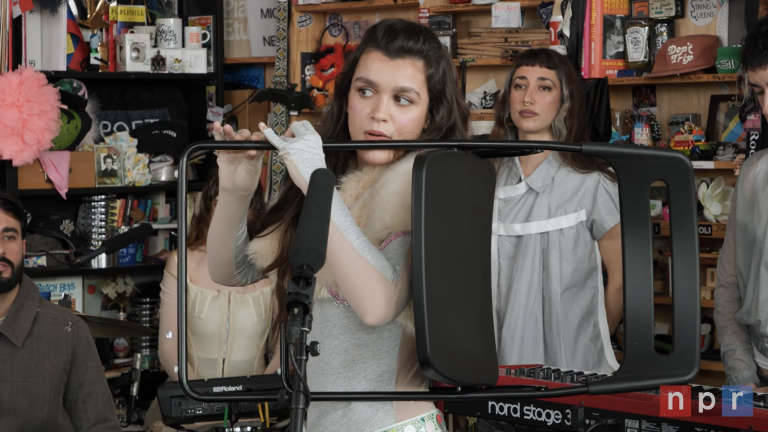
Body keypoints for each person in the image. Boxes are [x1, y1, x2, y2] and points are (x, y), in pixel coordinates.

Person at [208, 18, 467, 432]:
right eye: (366, 91)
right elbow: (232, 270)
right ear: (346, 99)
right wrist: (236, 189)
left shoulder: (430, 187)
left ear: (431, 114)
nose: (379, 113)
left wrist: (316, 181)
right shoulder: (321, 177)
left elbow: (378, 306)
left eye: (403, 100)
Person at [489, 48, 623, 375]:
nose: (528, 97)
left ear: (564, 101)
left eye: (544, 87)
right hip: (497, 372)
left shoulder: (592, 183)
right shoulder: (484, 179)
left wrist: (588, 345)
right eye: (520, 86)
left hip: (574, 374)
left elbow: (622, 279)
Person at [0, 192, 120, 431]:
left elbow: (100, 426)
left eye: (9, 237)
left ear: (24, 247)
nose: (0, 249)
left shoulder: (67, 332)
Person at [157, 171, 278, 383]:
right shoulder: (181, 262)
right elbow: (169, 345)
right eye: (222, 201)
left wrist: (262, 392)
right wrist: (198, 395)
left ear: (254, 211)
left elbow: (284, 348)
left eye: (242, 201)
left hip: (256, 406)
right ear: (207, 207)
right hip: (193, 399)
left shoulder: (270, 266)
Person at [714, 16, 768, 390]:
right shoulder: (753, 174)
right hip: (756, 378)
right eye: (761, 92)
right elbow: (728, 287)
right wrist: (741, 389)